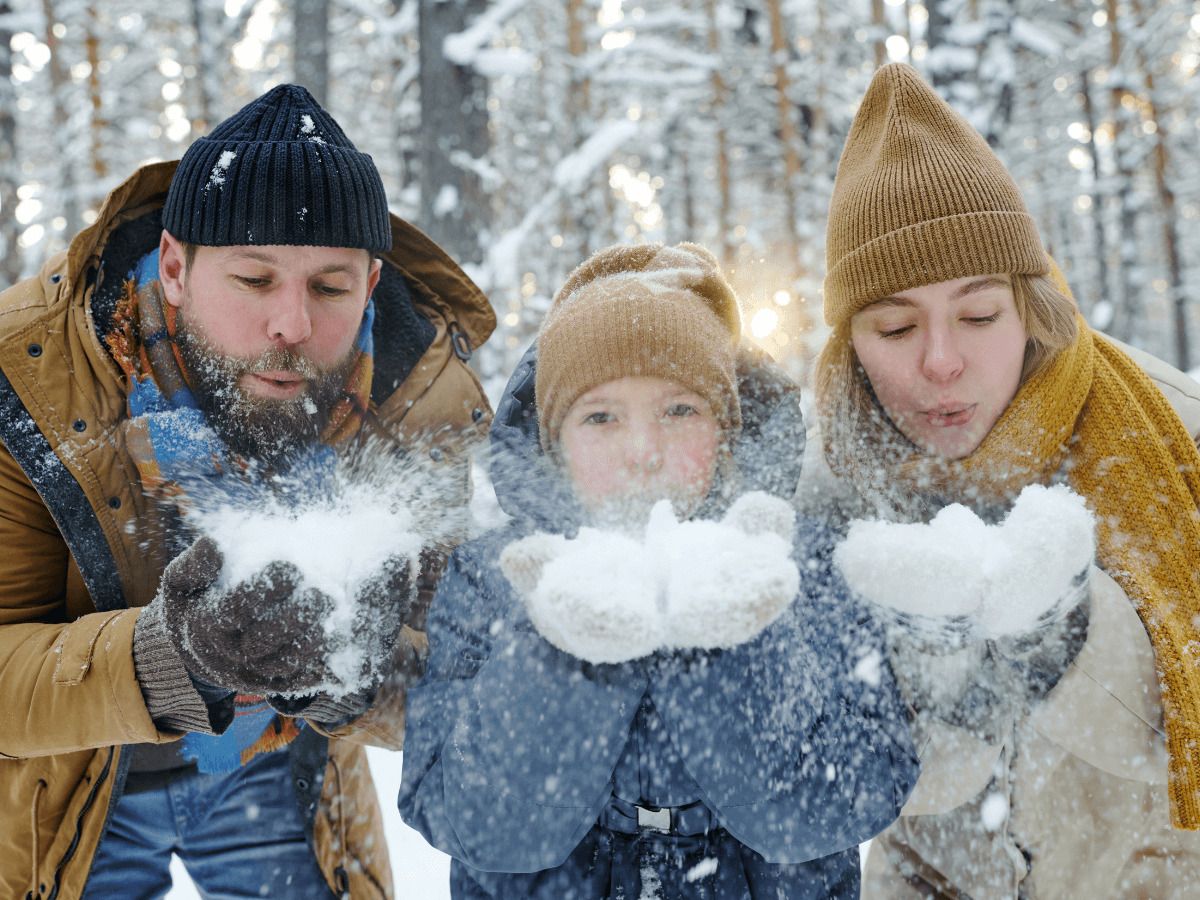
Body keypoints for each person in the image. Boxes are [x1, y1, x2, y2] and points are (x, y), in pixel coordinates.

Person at [0, 84, 494, 899]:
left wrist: (360, 672)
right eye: (255, 279)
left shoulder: (415, 395)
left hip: (284, 771)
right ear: (175, 267)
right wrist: (170, 659)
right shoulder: (28, 385)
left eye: (329, 288)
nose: (291, 325)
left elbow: (458, 684)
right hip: (72, 778)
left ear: (370, 286)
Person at [398, 243, 919, 898]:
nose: (642, 452)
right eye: (601, 417)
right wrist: (564, 654)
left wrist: (731, 644)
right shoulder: (494, 578)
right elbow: (476, 825)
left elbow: (848, 802)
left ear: (726, 429)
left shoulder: (801, 564)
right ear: (554, 443)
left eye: (679, 410)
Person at [801, 62, 1200, 897]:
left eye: (979, 315)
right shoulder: (828, 489)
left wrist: (1067, 639)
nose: (941, 362)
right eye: (895, 325)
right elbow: (860, 799)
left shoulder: (1176, 438)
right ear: (851, 344)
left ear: (1031, 307)